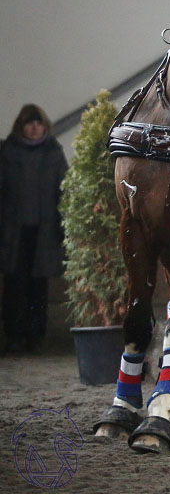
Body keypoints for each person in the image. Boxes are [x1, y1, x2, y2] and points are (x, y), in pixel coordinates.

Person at [1, 104, 68, 353]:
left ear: (45, 126)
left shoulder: (53, 152)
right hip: (13, 233)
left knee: (39, 288)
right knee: (14, 286)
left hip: (44, 232)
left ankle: (35, 337)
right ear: (21, 126)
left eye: (38, 123)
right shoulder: (7, 151)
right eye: (29, 123)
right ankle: (14, 337)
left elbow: (65, 188)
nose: (34, 128)